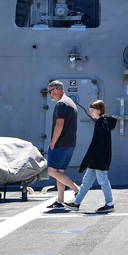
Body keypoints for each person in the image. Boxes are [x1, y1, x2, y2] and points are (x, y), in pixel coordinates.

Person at [65, 99, 116, 213]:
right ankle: (76, 203)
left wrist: (86, 161)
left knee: (102, 180)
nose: (91, 113)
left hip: (99, 158)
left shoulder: (101, 123)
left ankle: (109, 203)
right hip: (99, 158)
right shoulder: (105, 123)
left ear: (99, 110)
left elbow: (96, 144)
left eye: (93, 110)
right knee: (87, 181)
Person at [45, 81, 80, 210]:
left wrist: (53, 142)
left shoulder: (61, 104)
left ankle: (77, 190)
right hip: (70, 143)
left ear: (57, 89)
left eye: (50, 91)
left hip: (61, 143)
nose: (50, 95)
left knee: (51, 170)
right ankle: (60, 200)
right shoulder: (70, 102)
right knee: (59, 171)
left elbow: (59, 124)